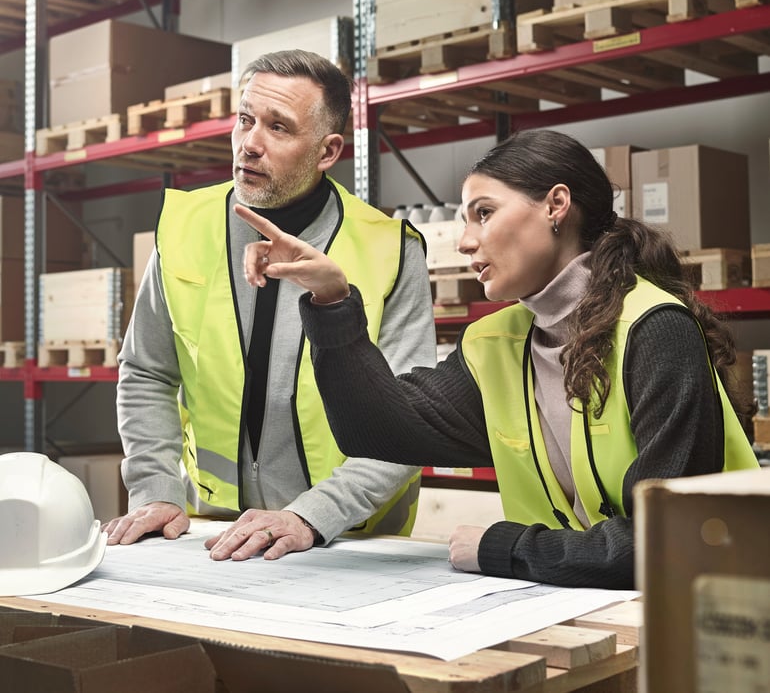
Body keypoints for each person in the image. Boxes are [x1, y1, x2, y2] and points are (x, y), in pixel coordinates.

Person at [233, 128, 760, 588]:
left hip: (714, 610)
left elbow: (664, 537)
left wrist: (503, 548)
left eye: (484, 214)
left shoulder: (656, 330)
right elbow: (377, 430)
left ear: (556, 205)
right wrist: (331, 300)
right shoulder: (498, 343)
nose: (464, 241)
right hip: (572, 607)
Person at [103, 49, 437, 561]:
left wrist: (313, 515)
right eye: (244, 120)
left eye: (278, 128)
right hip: (213, 533)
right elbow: (147, 371)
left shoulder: (389, 248)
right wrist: (156, 491)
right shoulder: (185, 227)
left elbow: (410, 417)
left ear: (327, 152)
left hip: (349, 541)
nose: (249, 144)